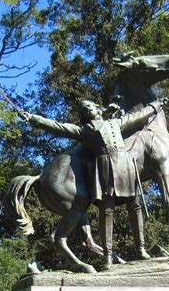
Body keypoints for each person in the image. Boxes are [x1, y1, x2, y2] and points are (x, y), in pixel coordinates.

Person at [21, 99, 161, 269]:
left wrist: (156, 105)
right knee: (107, 210)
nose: (89, 110)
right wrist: (33, 118)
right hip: (104, 167)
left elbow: (137, 116)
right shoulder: (84, 131)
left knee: (135, 206)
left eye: (90, 106)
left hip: (125, 165)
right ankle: (108, 256)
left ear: (97, 108)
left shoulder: (115, 122)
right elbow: (57, 127)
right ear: (84, 115)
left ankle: (141, 250)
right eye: (85, 109)